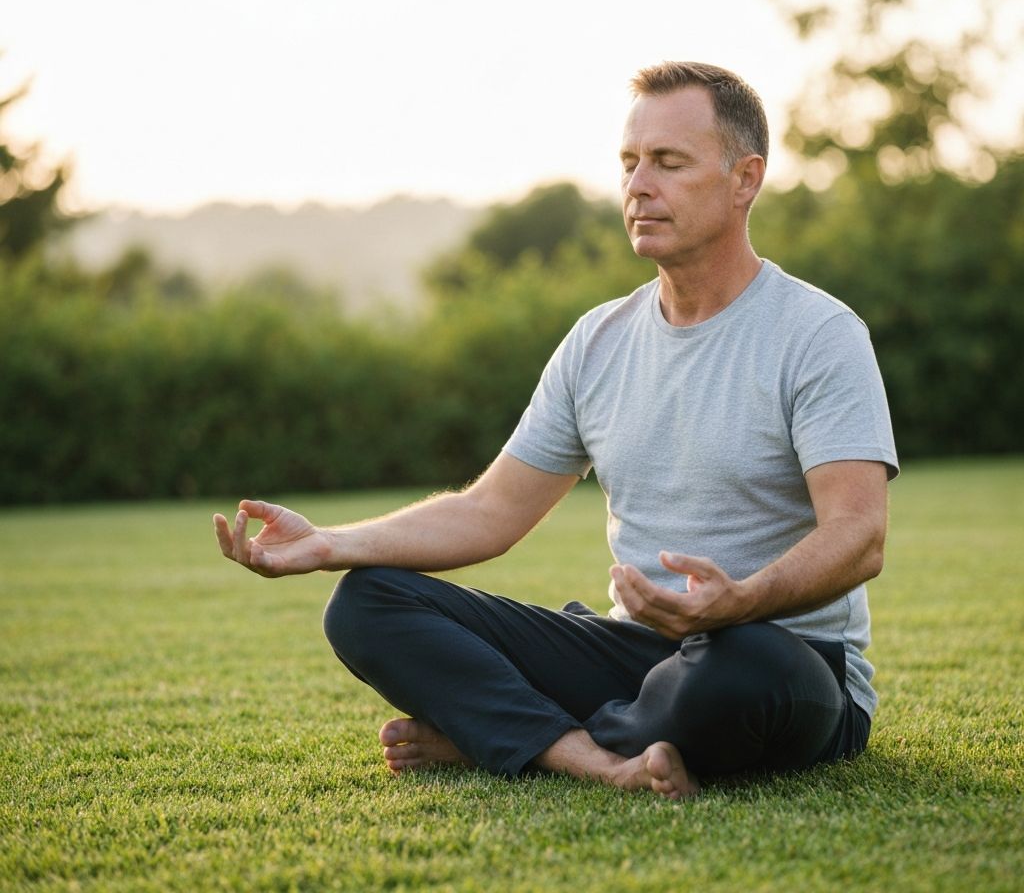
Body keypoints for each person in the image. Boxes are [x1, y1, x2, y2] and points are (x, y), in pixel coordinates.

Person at [214, 61, 898, 800]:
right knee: (367, 603)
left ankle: (499, 734)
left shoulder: (818, 332)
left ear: (745, 180)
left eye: (669, 163)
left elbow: (859, 535)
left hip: (784, 655)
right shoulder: (597, 341)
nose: (639, 185)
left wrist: (740, 602)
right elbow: (489, 511)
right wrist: (331, 544)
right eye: (630, 163)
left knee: (742, 675)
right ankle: (594, 758)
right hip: (637, 651)